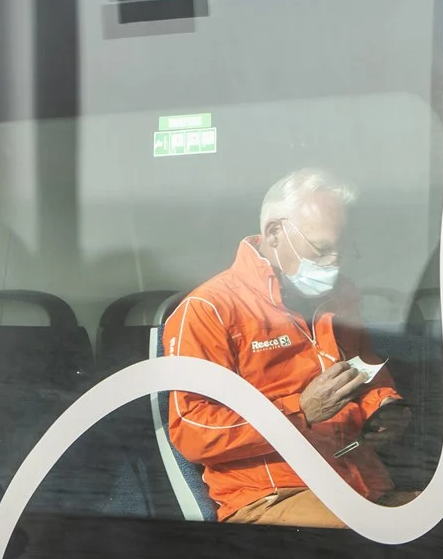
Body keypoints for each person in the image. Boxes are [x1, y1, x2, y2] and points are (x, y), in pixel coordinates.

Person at [164, 168, 407, 527]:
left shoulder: (341, 296)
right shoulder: (210, 309)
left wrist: (384, 408)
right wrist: (300, 413)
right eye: (323, 250)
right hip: (274, 496)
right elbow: (192, 430)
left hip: (360, 484)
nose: (334, 263)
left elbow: (368, 373)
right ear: (275, 234)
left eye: (343, 250)